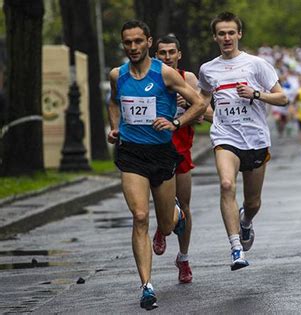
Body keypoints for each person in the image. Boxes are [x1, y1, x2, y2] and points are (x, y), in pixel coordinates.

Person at [107, 20, 206, 309]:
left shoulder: (164, 73)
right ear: (123, 44)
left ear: (148, 42)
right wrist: (115, 127)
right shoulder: (117, 75)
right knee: (139, 216)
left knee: (165, 224)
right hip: (131, 154)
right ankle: (147, 286)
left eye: (138, 41)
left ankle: (175, 214)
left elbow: (199, 104)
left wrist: (176, 122)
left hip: (162, 154)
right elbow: (113, 102)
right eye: (128, 42)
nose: (133, 47)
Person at [197, 12, 288, 270]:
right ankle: (236, 248)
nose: (226, 38)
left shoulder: (256, 65)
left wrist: (256, 93)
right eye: (221, 33)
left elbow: (282, 99)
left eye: (230, 33)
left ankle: (246, 222)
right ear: (215, 37)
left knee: (252, 202)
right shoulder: (208, 69)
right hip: (226, 138)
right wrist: (187, 110)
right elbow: (202, 101)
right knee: (226, 185)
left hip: (256, 139)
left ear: (239, 34)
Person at [152, 34, 204, 284]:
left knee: (184, 206)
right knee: (164, 210)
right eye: (162, 53)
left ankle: (183, 258)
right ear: (156, 55)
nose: (167, 57)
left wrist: (187, 104)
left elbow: (201, 115)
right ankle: (163, 228)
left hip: (182, 149)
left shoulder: (189, 79)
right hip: (155, 149)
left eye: (171, 52)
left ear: (179, 55)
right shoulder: (149, 79)